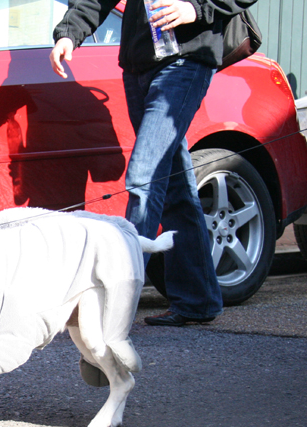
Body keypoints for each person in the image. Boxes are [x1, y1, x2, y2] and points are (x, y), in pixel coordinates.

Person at [49, 0, 253, 326]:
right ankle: (197, 299)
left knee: (145, 177)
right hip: (139, 66)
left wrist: (196, 9)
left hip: (186, 60)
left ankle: (115, 304)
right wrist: (69, 33)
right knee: (173, 185)